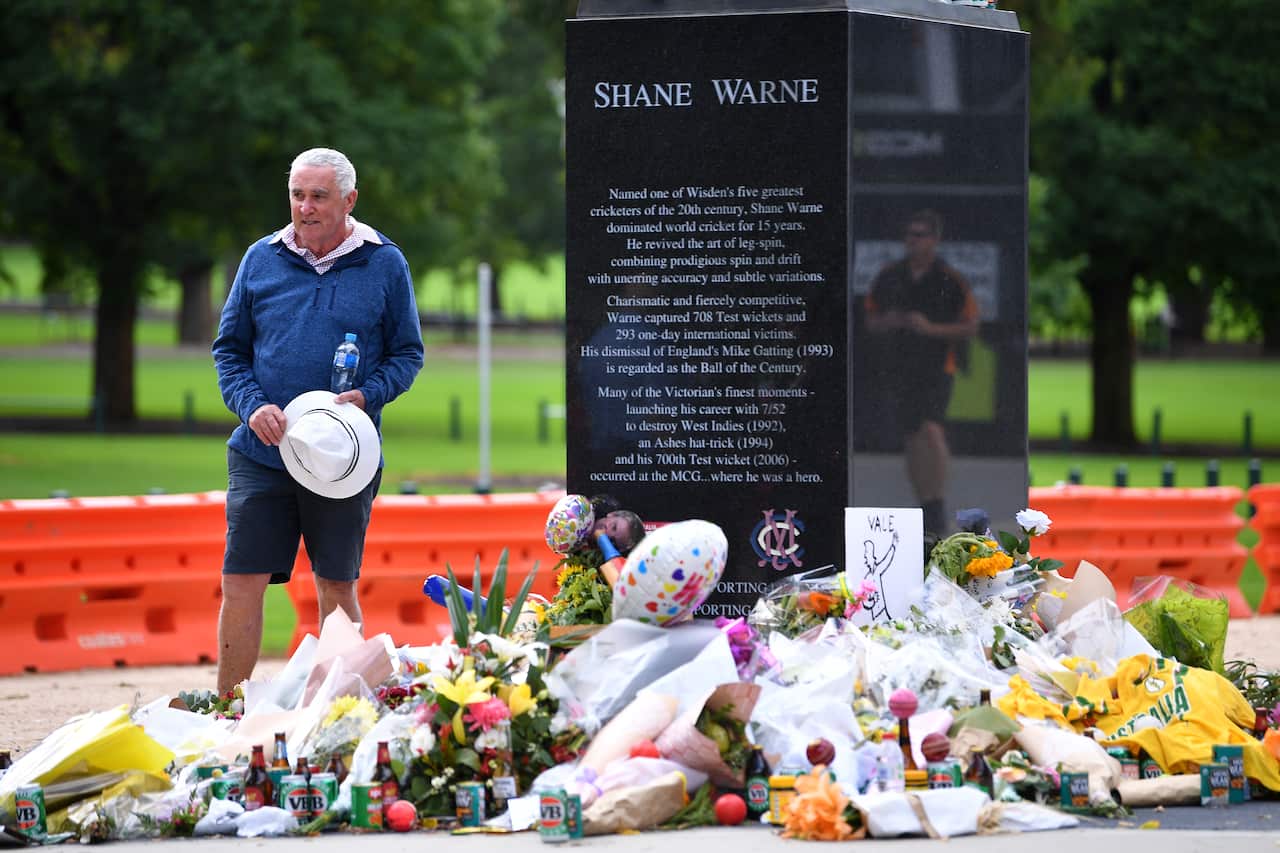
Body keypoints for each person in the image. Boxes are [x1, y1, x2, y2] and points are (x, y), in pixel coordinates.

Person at [212, 148, 424, 694]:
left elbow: (407, 353)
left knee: (335, 585)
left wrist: (370, 394)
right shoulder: (260, 258)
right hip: (262, 451)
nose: (304, 207)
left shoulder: (385, 263)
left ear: (349, 200)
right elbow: (229, 351)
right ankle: (229, 709)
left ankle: (342, 708)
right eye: (297, 195)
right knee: (241, 580)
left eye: (318, 197)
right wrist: (251, 405)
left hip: (341, 459)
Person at [864, 209, 977, 537]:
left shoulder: (950, 279)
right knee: (912, 436)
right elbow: (871, 320)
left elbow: (970, 325)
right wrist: (892, 321)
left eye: (920, 235)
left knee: (931, 429)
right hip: (901, 367)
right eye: (909, 235)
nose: (913, 241)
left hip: (937, 366)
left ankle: (937, 503)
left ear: (934, 239)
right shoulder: (890, 276)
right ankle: (924, 502)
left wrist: (930, 329)